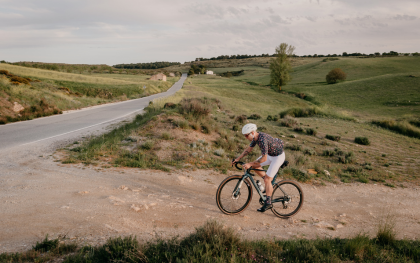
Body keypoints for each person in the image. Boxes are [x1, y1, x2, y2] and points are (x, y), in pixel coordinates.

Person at [232, 123, 285, 212]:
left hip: (278, 157)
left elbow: (264, 158)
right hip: (270, 155)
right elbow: (248, 150)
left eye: (246, 135)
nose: (245, 137)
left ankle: (268, 203)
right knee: (255, 167)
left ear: (252, 133)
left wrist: (250, 163)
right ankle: (268, 183)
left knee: (266, 179)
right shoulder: (255, 138)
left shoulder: (262, 140)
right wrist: (237, 159)